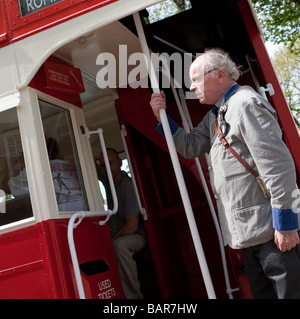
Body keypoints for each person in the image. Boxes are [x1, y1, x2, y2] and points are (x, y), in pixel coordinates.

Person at [150, 48, 300, 299]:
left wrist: (286, 225)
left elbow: (277, 165)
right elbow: (190, 146)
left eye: (196, 79)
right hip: (250, 234)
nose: (192, 86)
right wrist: (162, 117)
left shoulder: (244, 103)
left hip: (272, 232)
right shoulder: (218, 113)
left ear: (220, 75)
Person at [97, 148, 147, 299]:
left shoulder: (127, 186)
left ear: (119, 163)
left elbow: (132, 226)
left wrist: (111, 241)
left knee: (119, 247)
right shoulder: (107, 179)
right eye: (103, 165)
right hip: (117, 233)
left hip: (137, 235)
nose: (107, 168)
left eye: (111, 163)